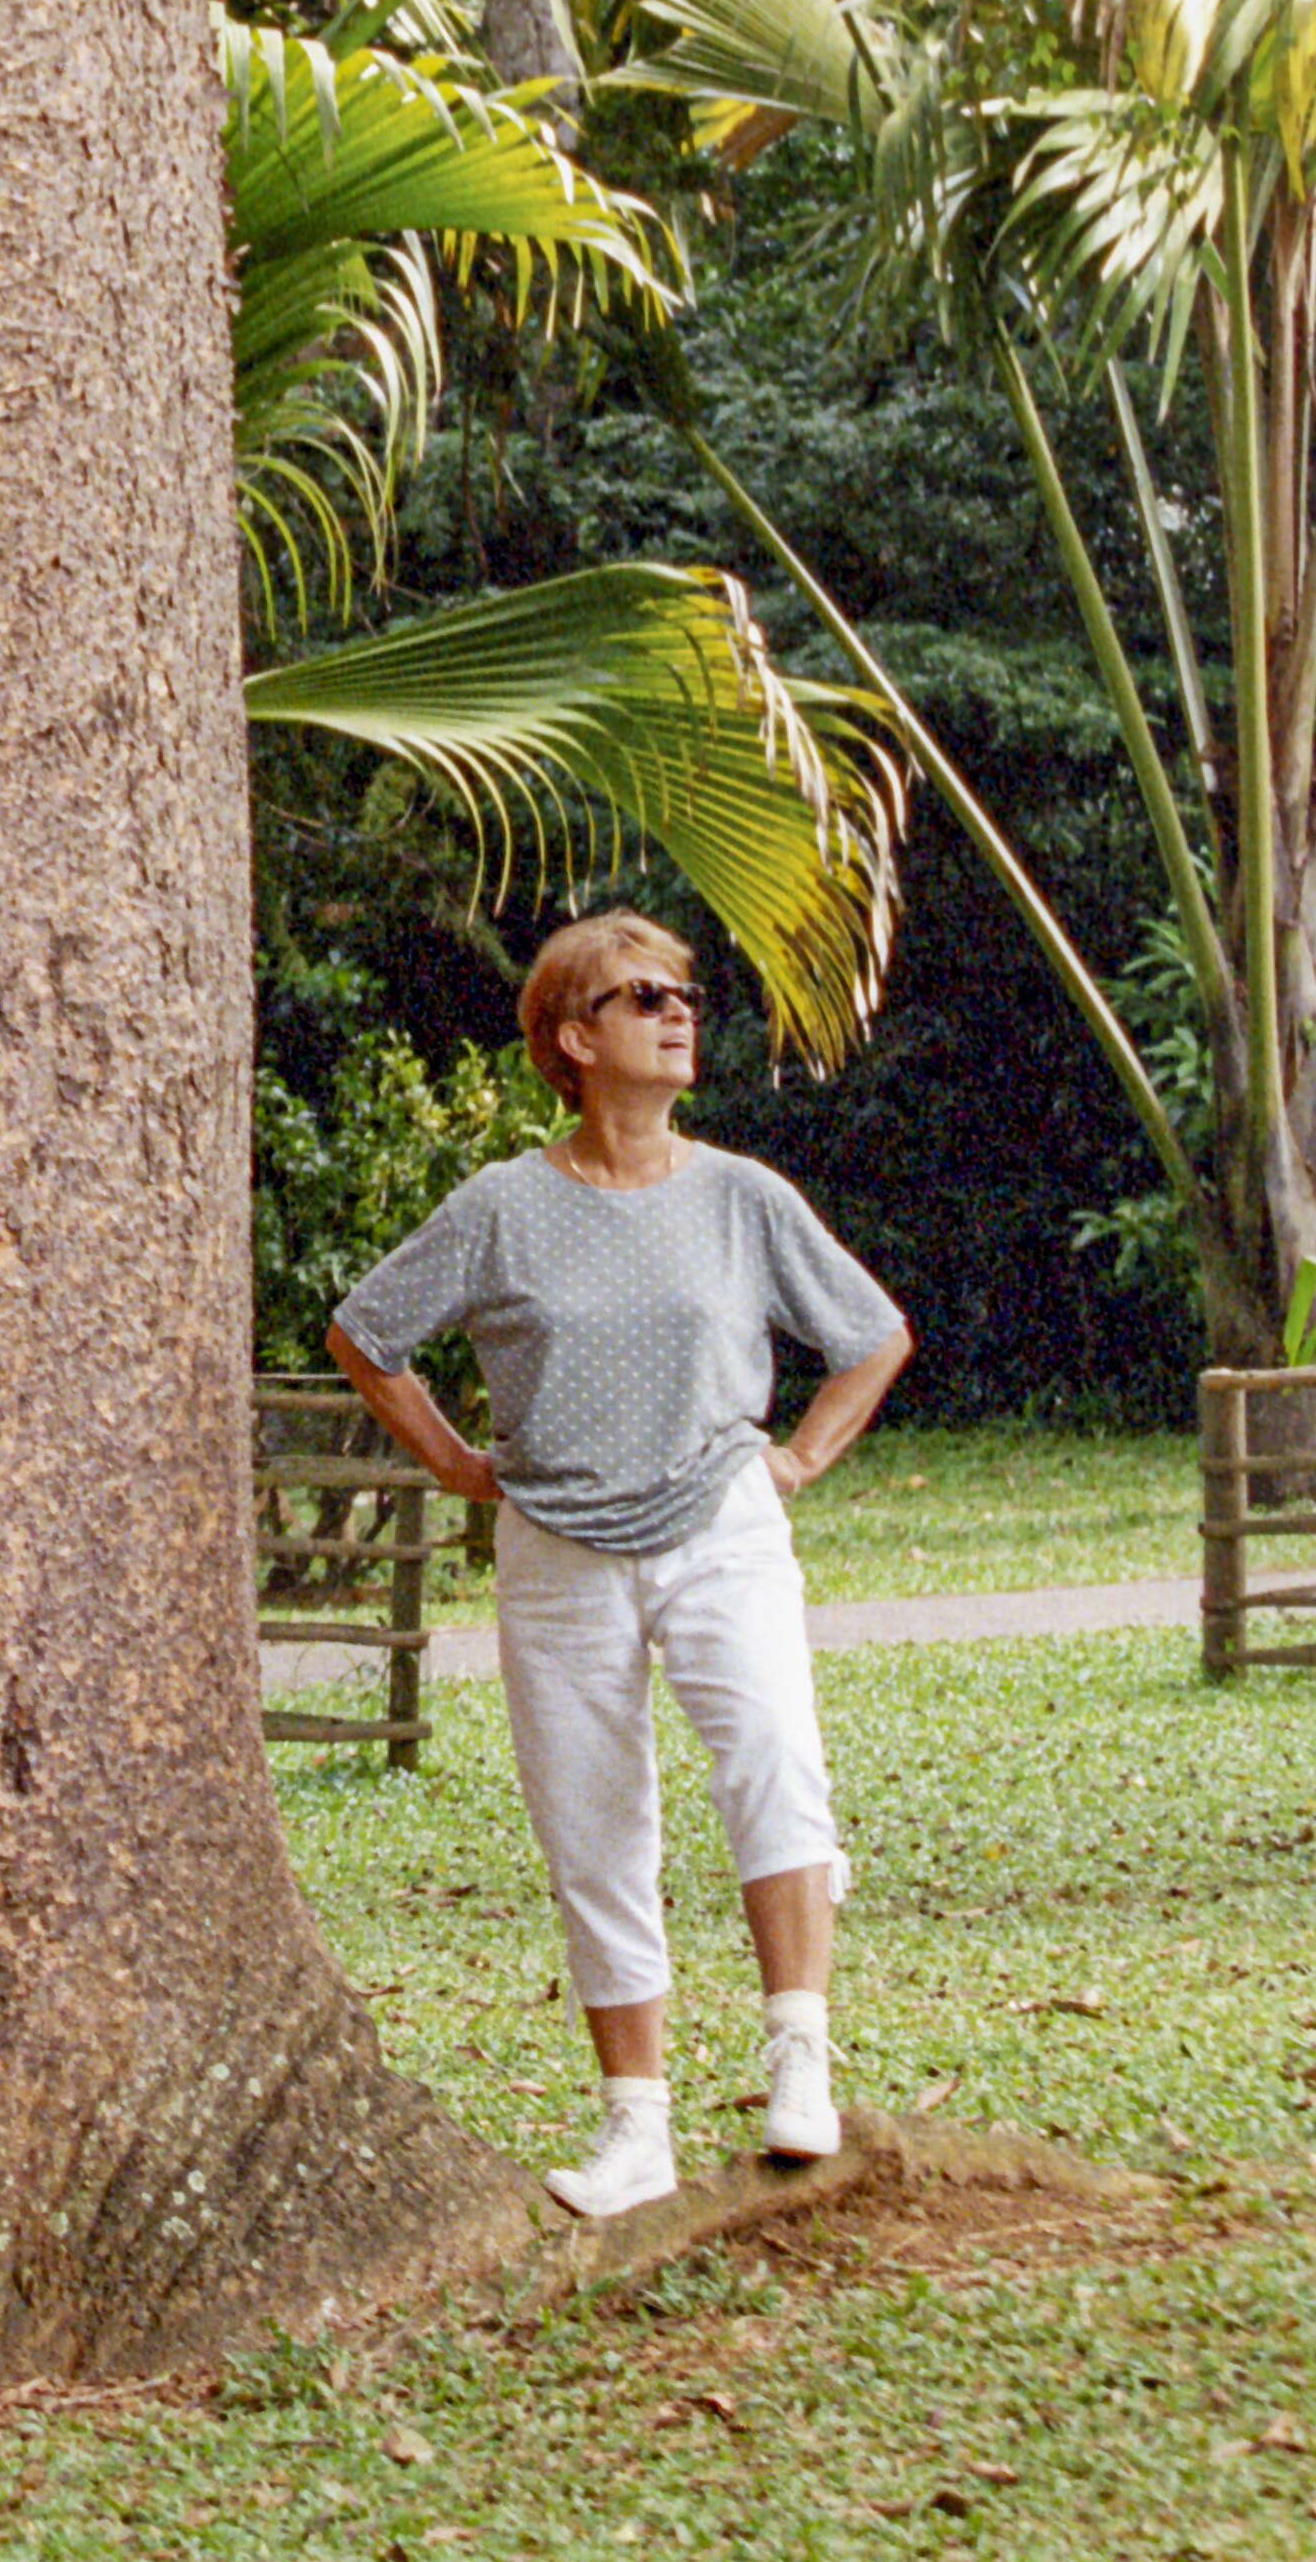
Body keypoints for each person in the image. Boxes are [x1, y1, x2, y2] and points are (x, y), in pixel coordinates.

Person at [324, 909, 914, 2221]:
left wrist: (801, 1460)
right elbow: (369, 1334)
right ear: (574, 1037)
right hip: (557, 1552)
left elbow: (870, 1335)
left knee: (773, 1757)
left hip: (719, 1529)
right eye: (644, 996)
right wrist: (450, 1462)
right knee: (595, 1829)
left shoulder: (742, 1197)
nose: (678, 1012)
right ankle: (633, 2128)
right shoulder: (501, 1209)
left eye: (685, 994)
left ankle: (797, 2063)